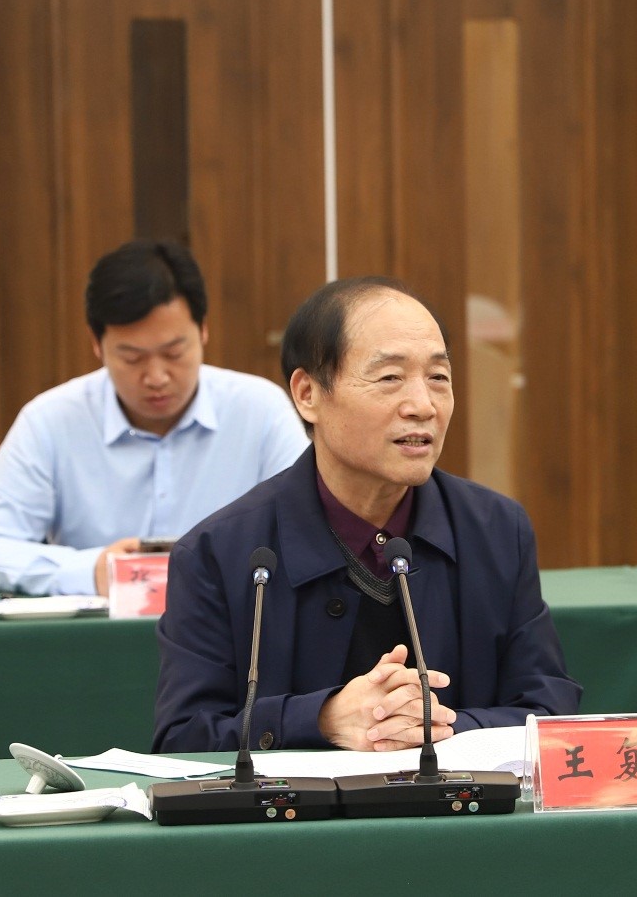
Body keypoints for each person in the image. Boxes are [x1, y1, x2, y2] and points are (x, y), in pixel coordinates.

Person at [154, 276, 581, 754]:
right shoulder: (220, 553)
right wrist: (320, 719)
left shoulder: (497, 531)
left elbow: (551, 710)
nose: (423, 406)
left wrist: (436, 729)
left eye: (438, 378)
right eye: (390, 378)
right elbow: (183, 737)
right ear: (308, 394)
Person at [0, 241, 308, 596]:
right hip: (101, 629)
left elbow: (309, 531)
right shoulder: (51, 421)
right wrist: (90, 572)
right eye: (132, 358)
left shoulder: (259, 411)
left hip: (232, 625)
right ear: (97, 343)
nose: (156, 377)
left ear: (203, 329)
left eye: (174, 352)